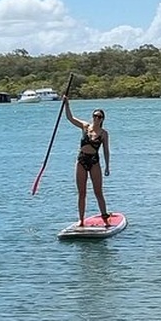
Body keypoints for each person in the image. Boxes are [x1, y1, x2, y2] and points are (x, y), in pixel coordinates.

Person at [63, 96, 112, 227]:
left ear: (102, 119)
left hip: (94, 161)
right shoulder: (85, 127)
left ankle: (104, 215)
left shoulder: (103, 133)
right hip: (82, 160)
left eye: (99, 117)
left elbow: (106, 151)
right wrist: (66, 104)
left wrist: (107, 166)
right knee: (82, 192)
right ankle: (81, 220)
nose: (96, 118)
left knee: (98, 191)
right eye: (95, 116)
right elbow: (70, 118)